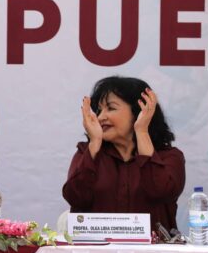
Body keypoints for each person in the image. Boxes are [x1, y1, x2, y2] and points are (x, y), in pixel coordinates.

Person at [62, 76, 185, 230]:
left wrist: (142, 131)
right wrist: (94, 144)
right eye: (99, 110)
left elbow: (160, 192)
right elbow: (75, 198)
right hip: (97, 245)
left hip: (154, 246)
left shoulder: (169, 157)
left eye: (111, 108)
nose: (101, 117)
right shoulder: (86, 153)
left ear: (138, 111)